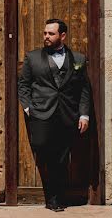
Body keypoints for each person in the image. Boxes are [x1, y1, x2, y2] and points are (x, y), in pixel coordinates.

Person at [18, 19, 92, 212]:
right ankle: (52, 196)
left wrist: (84, 115)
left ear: (63, 36)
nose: (46, 37)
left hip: (67, 115)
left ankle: (56, 199)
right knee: (44, 152)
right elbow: (23, 85)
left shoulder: (78, 59)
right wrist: (28, 108)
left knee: (62, 158)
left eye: (51, 34)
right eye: (45, 33)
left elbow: (84, 89)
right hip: (41, 114)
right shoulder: (32, 58)